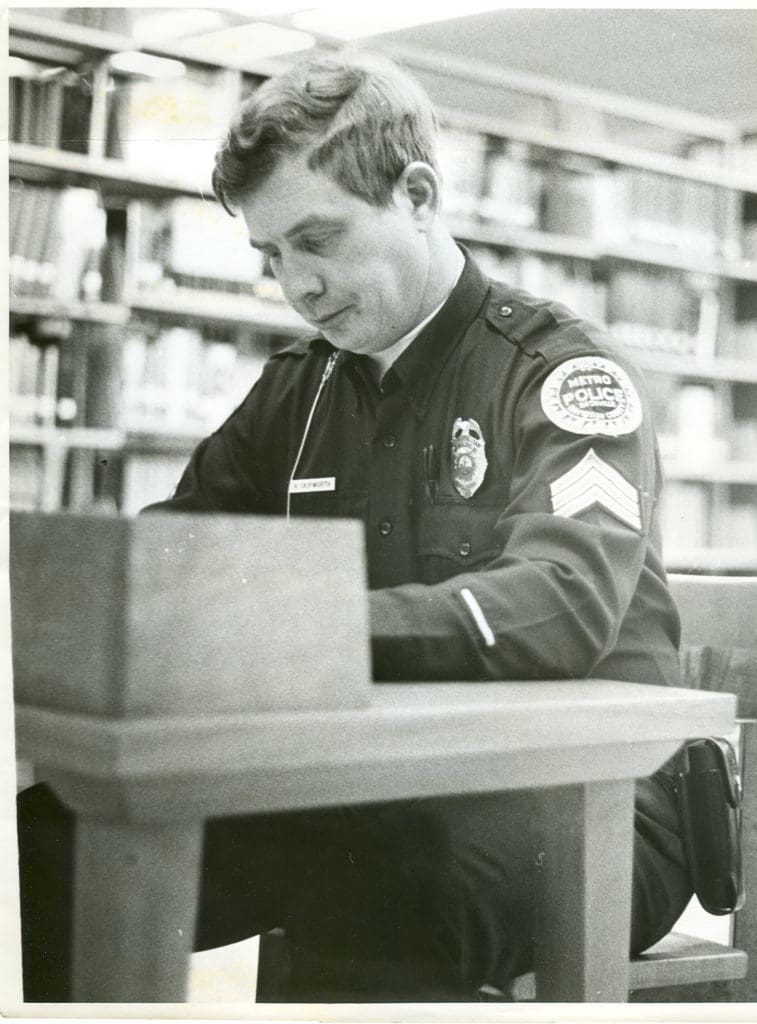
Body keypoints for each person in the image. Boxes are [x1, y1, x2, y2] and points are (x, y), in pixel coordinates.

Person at [17, 51, 692, 1002]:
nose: (298, 284)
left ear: (416, 194)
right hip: (369, 782)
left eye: (318, 239)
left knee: (376, 895)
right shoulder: (299, 385)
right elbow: (175, 551)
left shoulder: (559, 374)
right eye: (272, 256)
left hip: (590, 796)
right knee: (53, 838)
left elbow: (561, 607)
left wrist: (299, 634)